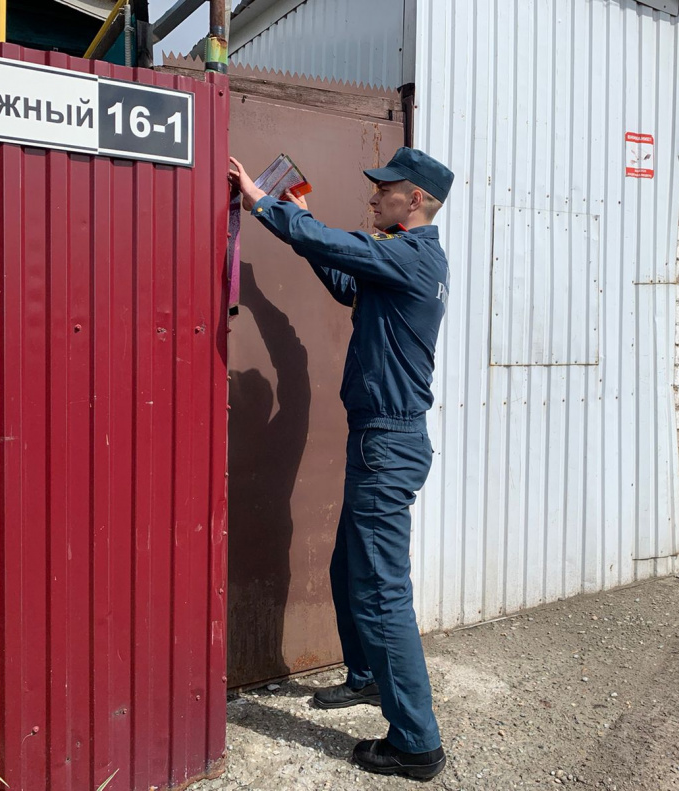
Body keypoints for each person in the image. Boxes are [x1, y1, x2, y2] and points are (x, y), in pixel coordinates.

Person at [229, 147, 455, 781]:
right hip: (376, 439)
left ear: (414, 200)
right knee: (350, 564)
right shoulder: (402, 261)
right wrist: (301, 222)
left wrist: (264, 202)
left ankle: (417, 742)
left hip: (389, 442)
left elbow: (347, 251)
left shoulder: (413, 255)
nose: (373, 196)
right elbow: (343, 273)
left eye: (385, 189)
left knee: (383, 591)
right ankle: (365, 678)